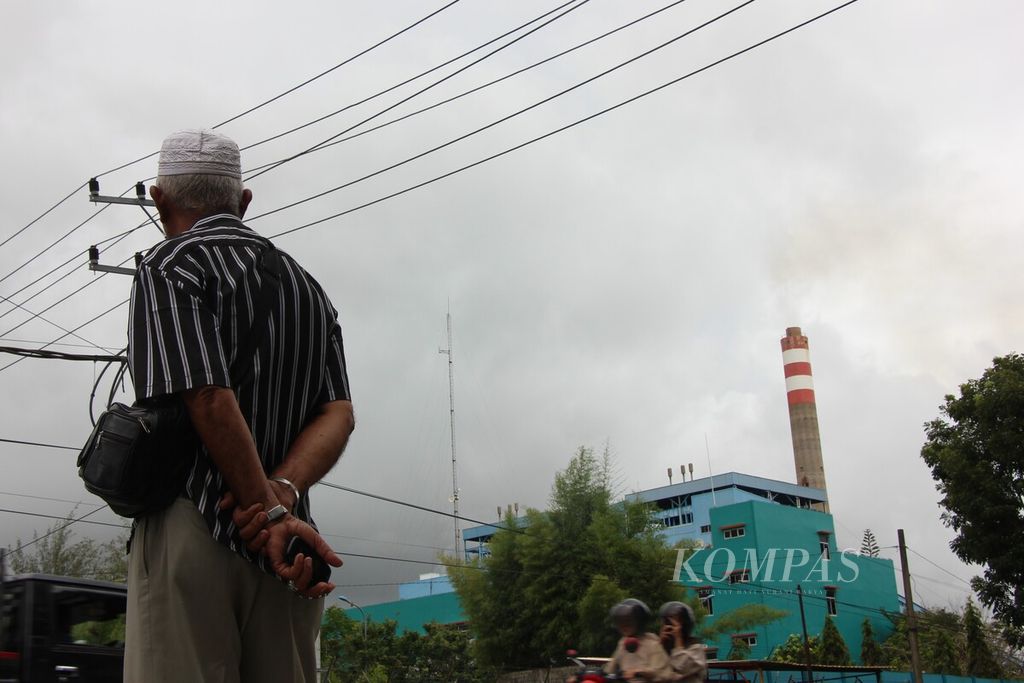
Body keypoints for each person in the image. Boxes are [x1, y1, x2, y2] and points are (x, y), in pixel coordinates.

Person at [124, 129, 355, 682]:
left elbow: (207, 393)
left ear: (159, 200)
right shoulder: (308, 288)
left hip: (194, 523)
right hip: (291, 554)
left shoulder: (168, 266)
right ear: (243, 201)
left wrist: (266, 513)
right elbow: (338, 412)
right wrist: (283, 496)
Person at [603, 599, 674, 681]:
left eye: (628, 621)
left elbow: (663, 674)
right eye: (620, 621)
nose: (624, 625)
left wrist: (639, 672)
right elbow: (610, 669)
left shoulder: (653, 644)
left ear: (639, 621)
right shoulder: (622, 642)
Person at [658, 602, 707, 683]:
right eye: (668, 623)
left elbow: (682, 667)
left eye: (675, 624)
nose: (671, 628)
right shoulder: (664, 648)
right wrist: (661, 644)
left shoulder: (696, 649)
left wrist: (678, 639)